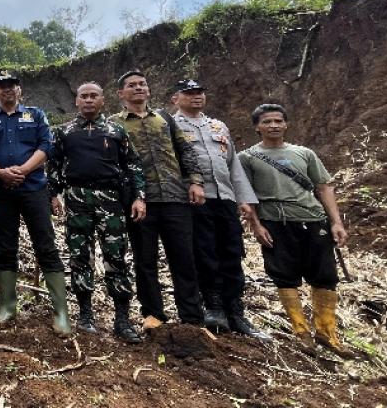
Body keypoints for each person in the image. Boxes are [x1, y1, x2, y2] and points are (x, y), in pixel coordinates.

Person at [239, 104, 350, 355]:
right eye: (267, 122)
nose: (274, 125)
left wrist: (336, 222)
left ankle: (326, 333)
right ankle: (301, 332)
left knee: (325, 275)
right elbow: (245, 195)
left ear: (286, 124)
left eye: (278, 121)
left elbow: (323, 188)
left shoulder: (304, 153)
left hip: (313, 218)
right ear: (257, 127)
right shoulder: (246, 158)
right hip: (276, 223)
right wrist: (256, 225)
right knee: (284, 274)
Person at [170, 80, 269, 339]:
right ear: (175, 98)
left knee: (232, 252)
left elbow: (233, 165)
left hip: (224, 197)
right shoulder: (171, 125)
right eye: (189, 94)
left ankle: (236, 311)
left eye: (200, 93)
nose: (196, 97)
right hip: (194, 199)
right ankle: (214, 308)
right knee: (204, 252)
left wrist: (243, 199)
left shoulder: (218, 126)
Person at [48, 82, 145, 343]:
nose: (89, 100)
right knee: (80, 256)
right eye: (84, 96)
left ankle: (122, 319)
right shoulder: (64, 132)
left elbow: (133, 165)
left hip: (111, 199)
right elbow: (54, 165)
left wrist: (139, 198)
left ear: (102, 100)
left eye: (94, 96)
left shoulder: (116, 130)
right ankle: (85, 315)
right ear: (76, 101)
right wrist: (53, 195)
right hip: (77, 198)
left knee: (116, 256)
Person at [109, 70, 205, 329]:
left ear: (149, 90)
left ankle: (192, 317)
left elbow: (184, 149)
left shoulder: (163, 118)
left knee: (184, 258)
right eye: (131, 85)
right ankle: (153, 314)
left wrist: (195, 181)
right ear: (121, 94)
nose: (138, 88)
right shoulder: (114, 124)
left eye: (142, 84)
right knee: (145, 260)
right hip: (140, 202)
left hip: (175, 197)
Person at [0, 71, 69, 333]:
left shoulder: (36, 115)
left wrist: (22, 170)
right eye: (2, 87)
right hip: (2, 190)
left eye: (11, 86)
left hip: (34, 189)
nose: (7, 90)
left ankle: (61, 313)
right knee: (5, 246)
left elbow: (46, 146)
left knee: (45, 244)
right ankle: (8, 306)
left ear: (20, 90)